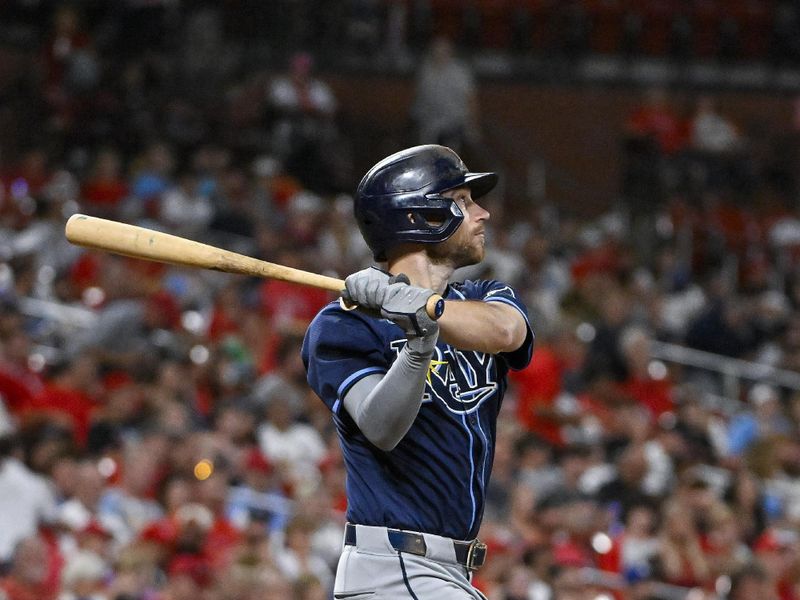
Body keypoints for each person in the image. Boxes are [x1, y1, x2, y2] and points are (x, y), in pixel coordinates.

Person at [302, 144, 533, 598]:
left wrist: (425, 312)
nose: (482, 213)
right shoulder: (343, 323)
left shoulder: (485, 295)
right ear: (419, 215)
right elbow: (381, 426)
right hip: (392, 568)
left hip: (447, 573)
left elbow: (507, 333)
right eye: (463, 202)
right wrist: (417, 344)